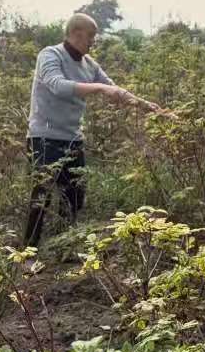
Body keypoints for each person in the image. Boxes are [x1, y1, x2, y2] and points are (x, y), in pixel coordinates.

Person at [24, 13, 158, 246]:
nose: (93, 42)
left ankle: (62, 246)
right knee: (41, 196)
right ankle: (28, 250)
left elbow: (113, 89)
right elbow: (57, 86)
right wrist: (98, 88)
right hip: (44, 137)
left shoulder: (90, 65)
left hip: (73, 139)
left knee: (74, 196)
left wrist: (147, 106)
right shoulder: (50, 54)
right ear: (76, 33)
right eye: (91, 36)